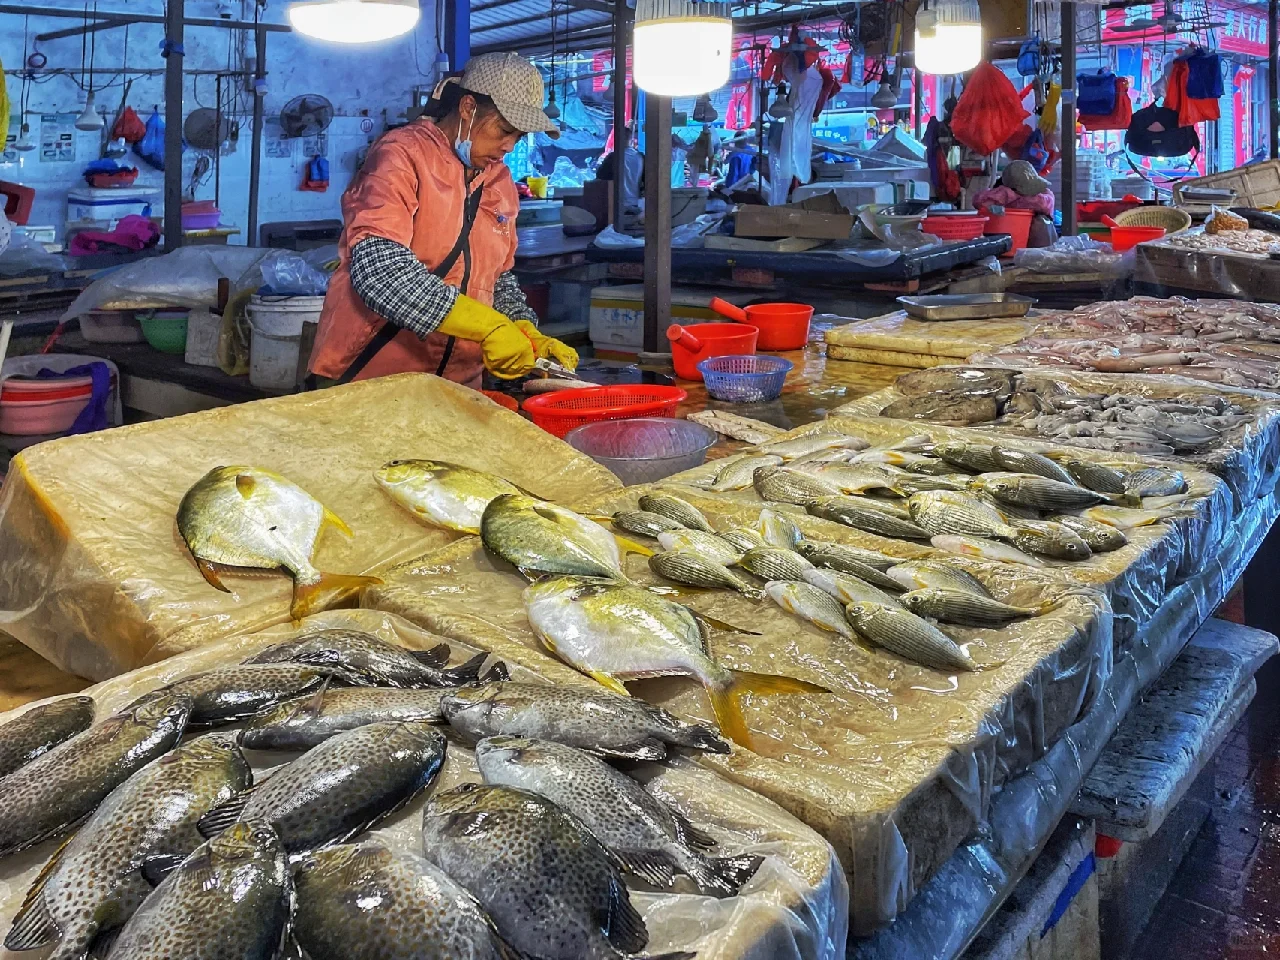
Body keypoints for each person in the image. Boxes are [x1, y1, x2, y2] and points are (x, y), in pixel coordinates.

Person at [309, 52, 578, 389]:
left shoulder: (499, 182)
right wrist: (487, 327)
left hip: (457, 386)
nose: (508, 146)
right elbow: (380, 271)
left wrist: (524, 328)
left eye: (519, 136)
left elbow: (498, 279)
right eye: (504, 129)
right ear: (468, 108)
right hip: (374, 379)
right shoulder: (401, 155)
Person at [595, 126, 645, 210]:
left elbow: (600, 176)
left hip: (616, 204)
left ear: (616, 138)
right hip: (635, 204)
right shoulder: (640, 157)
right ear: (631, 139)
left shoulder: (613, 157)